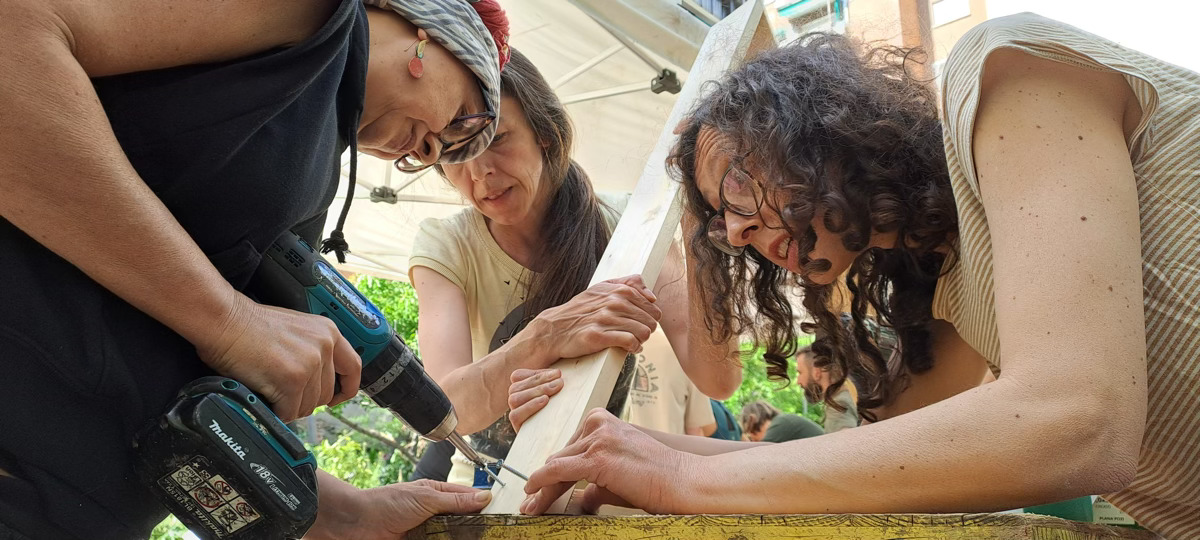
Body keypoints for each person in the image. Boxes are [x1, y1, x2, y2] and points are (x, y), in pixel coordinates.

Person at [512, 14, 1200, 538]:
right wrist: (616, 444)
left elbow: (1078, 420)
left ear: (812, 129)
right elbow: (864, 467)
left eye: (739, 188)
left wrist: (682, 476)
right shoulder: (948, 294)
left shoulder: (1005, 70)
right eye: (722, 224)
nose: (738, 234)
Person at [1, 0, 512, 538]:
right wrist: (228, 321)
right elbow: (14, 33)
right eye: (462, 119)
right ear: (430, 32)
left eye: (448, 152)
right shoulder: (316, 14)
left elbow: (172, 367)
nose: (434, 150)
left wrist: (342, 513)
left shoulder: (313, 173)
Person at [408, 47, 741, 487]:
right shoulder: (447, 244)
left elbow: (718, 378)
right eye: (454, 155)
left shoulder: (630, 226)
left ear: (544, 132)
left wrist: (693, 212)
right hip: (487, 493)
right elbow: (443, 409)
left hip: (590, 491)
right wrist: (547, 336)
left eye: (497, 139)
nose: (481, 172)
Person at [794, 346, 858, 433]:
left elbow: (845, 439)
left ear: (817, 372)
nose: (798, 381)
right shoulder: (840, 397)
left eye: (800, 372)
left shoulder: (838, 403)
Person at [738, 400, 824, 442]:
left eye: (753, 438)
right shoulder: (784, 420)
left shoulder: (781, 423)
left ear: (753, 421)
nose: (754, 441)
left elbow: (755, 458)